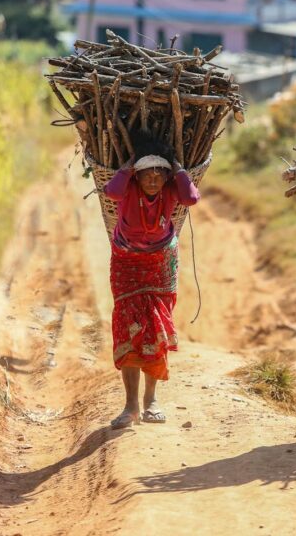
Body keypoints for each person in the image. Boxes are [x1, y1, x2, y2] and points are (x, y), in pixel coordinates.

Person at [103, 134, 200, 429]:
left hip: (160, 262)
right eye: (148, 173)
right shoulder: (128, 188)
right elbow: (111, 190)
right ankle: (130, 406)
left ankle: (151, 401)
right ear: (138, 174)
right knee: (128, 327)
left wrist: (177, 166)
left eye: (160, 173)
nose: (154, 179)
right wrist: (131, 164)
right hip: (127, 262)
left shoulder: (171, 190)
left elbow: (191, 197)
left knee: (155, 327)